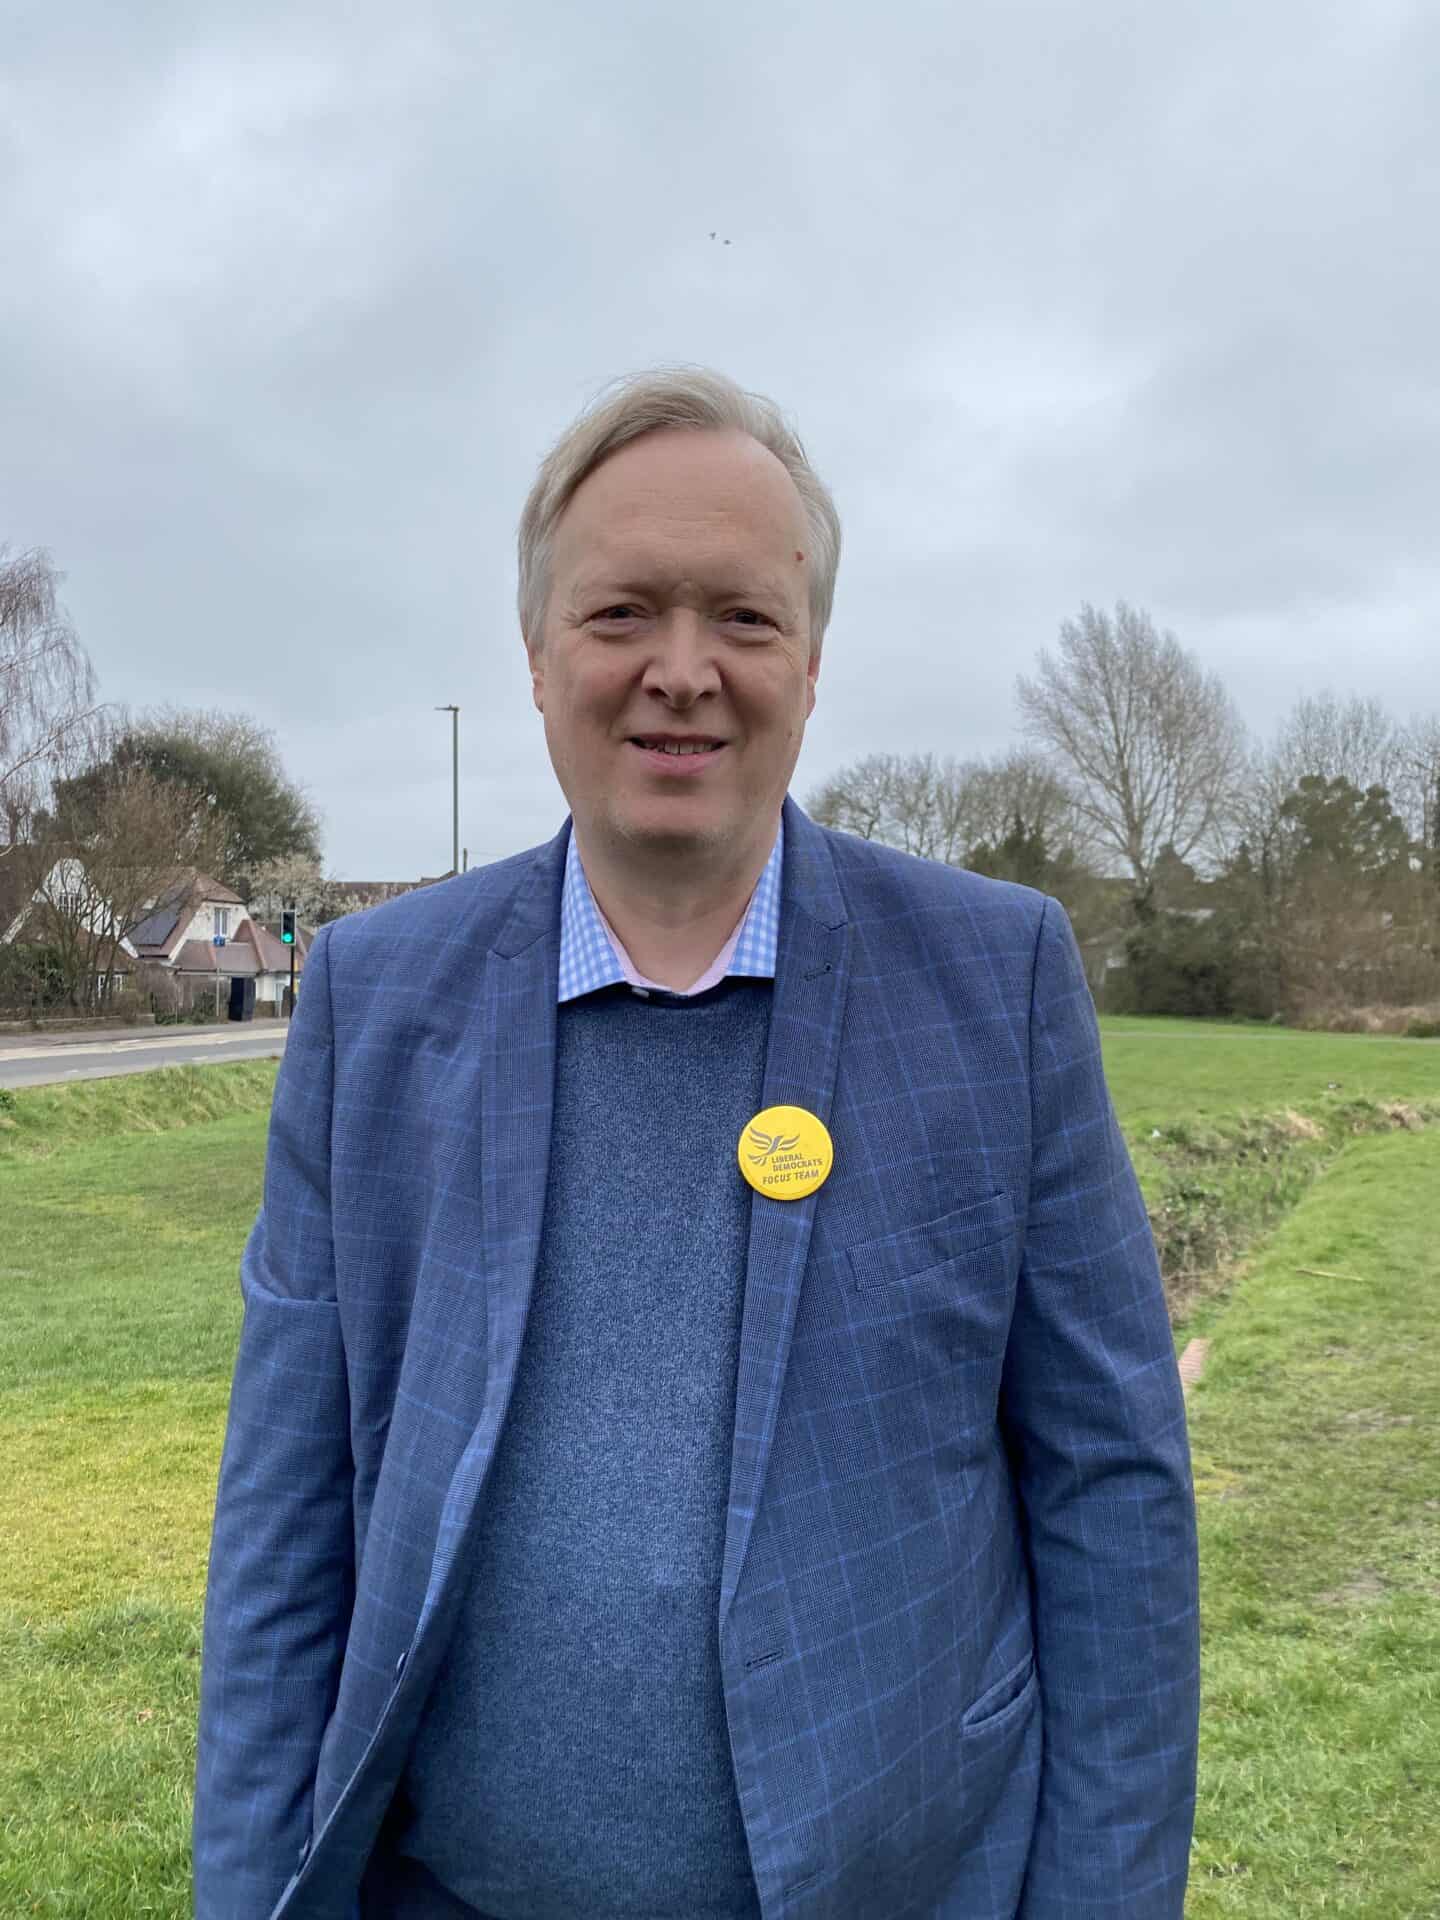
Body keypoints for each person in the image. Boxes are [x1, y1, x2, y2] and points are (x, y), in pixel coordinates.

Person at [194, 366, 1200, 1920]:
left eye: (742, 616)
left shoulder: (995, 977)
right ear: (537, 657)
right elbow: (285, 1518)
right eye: (621, 616)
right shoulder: (375, 999)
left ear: (811, 661)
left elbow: (1112, 1492)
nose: (684, 671)